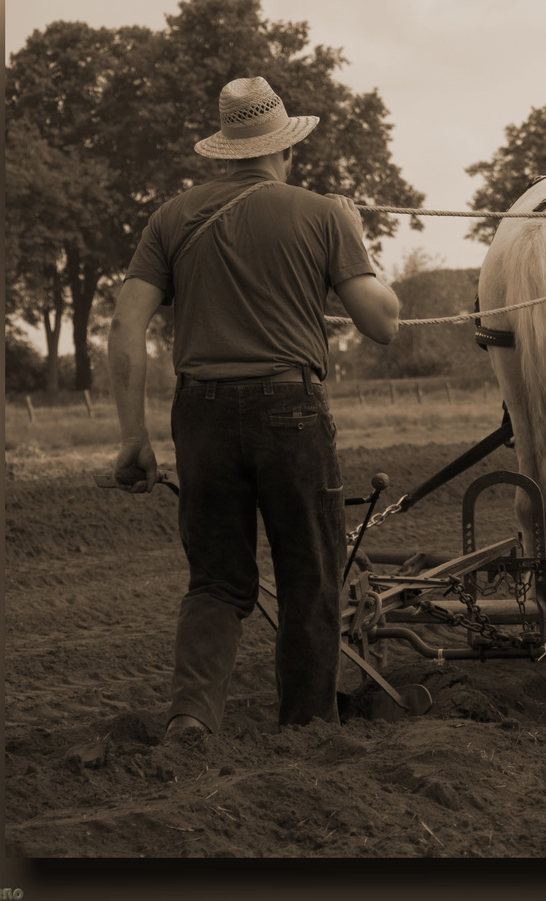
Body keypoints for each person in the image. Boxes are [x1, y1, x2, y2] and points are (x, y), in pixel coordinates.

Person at [108, 76, 400, 739]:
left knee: (215, 580)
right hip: (290, 412)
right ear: (284, 150)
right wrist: (355, 233)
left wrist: (134, 438)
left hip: (201, 416)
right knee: (311, 578)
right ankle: (306, 726)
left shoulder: (170, 218)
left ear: (223, 151)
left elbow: (125, 326)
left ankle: (191, 715)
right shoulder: (324, 213)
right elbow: (382, 323)